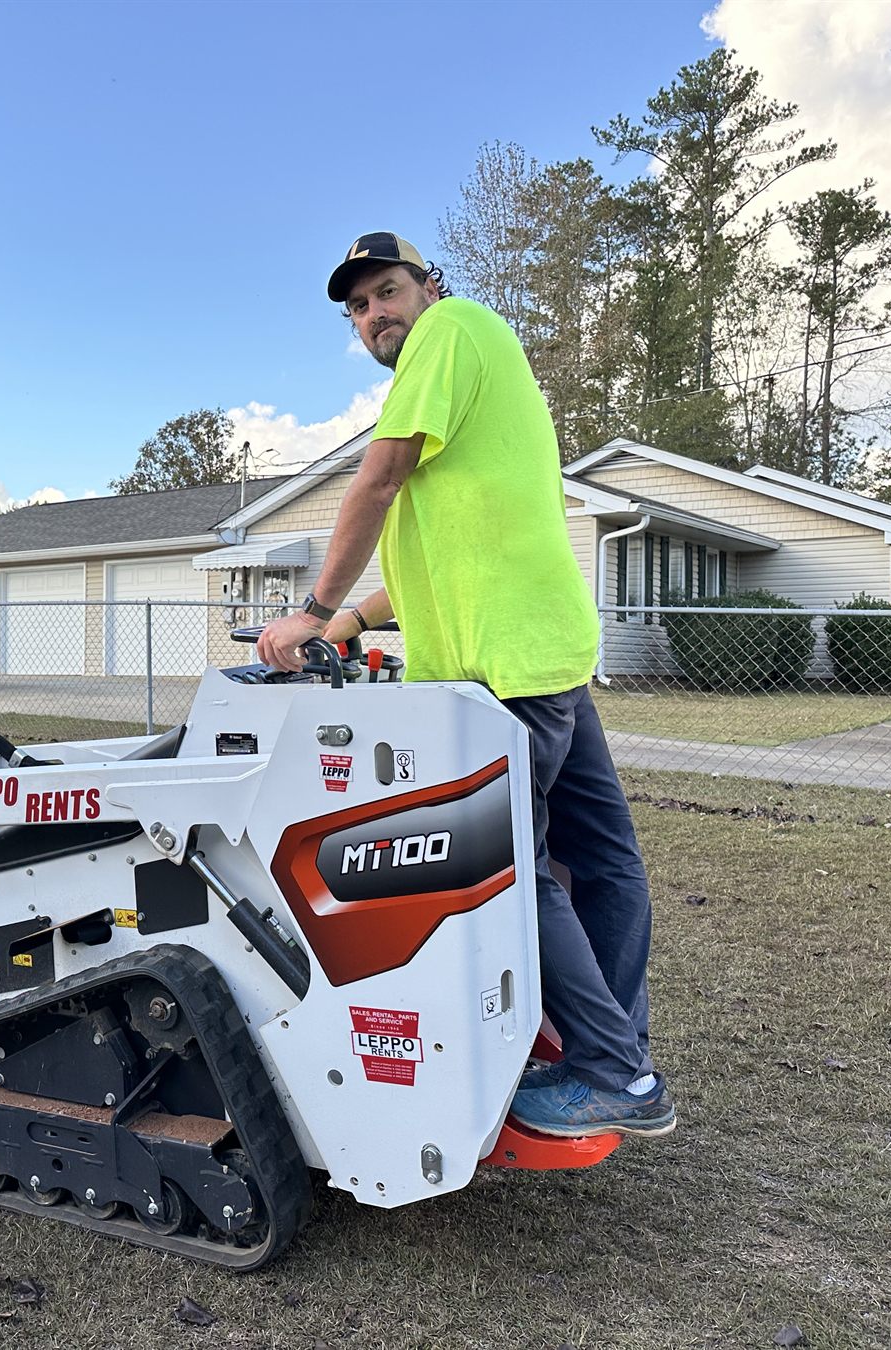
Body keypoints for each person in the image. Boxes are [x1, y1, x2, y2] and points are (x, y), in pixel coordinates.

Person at [256, 232, 673, 1138]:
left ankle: (613, 1071)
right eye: (359, 308)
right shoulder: (473, 367)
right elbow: (436, 559)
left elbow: (378, 479)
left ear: (428, 287)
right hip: (545, 652)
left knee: (512, 869)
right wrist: (346, 624)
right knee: (603, 860)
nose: (376, 315)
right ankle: (612, 1048)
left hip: (507, 674)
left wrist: (309, 603)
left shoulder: (450, 332)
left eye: (388, 291)